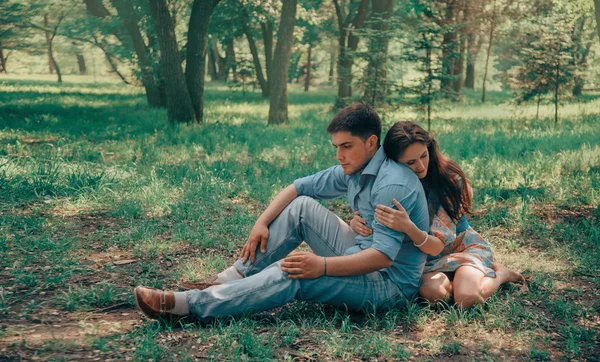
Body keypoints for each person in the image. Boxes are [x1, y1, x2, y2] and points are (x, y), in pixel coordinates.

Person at [134, 103, 431, 322]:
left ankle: (188, 306)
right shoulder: (357, 165)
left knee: (295, 271)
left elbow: (383, 257)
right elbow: (298, 188)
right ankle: (231, 278)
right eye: (336, 147)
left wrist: (322, 266)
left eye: (346, 146)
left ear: (371, 143)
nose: (339, 155)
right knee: (301, 207)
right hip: (357, 250)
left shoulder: (392, 183)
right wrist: (260, 223)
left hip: (388, 284)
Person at [350, 121, 524, 308]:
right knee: (432, 295)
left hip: (460, 249)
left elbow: (436, 246)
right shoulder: (391, 183)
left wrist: (407, 226)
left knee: (466, 299)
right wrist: (355, 222)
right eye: (410, 162)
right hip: (425, 261)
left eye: (423, 156)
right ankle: (455, 284)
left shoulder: (449, 178)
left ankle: (500, 275)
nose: (420, 166)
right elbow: (377, 224)